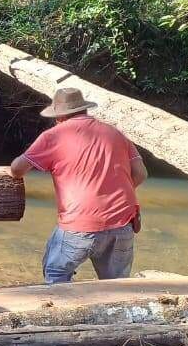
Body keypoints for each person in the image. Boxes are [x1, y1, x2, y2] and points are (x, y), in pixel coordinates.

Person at [9, 87, 148, 284]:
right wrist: (111, 192)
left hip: (79, 223)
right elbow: (141, 173)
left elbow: (17, 169)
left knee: (56, 275)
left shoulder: (54, 136)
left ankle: (61, 313)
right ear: (84, 110)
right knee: (116, 287)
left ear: (59, 116)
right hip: (123, 221)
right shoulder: (115, 133)